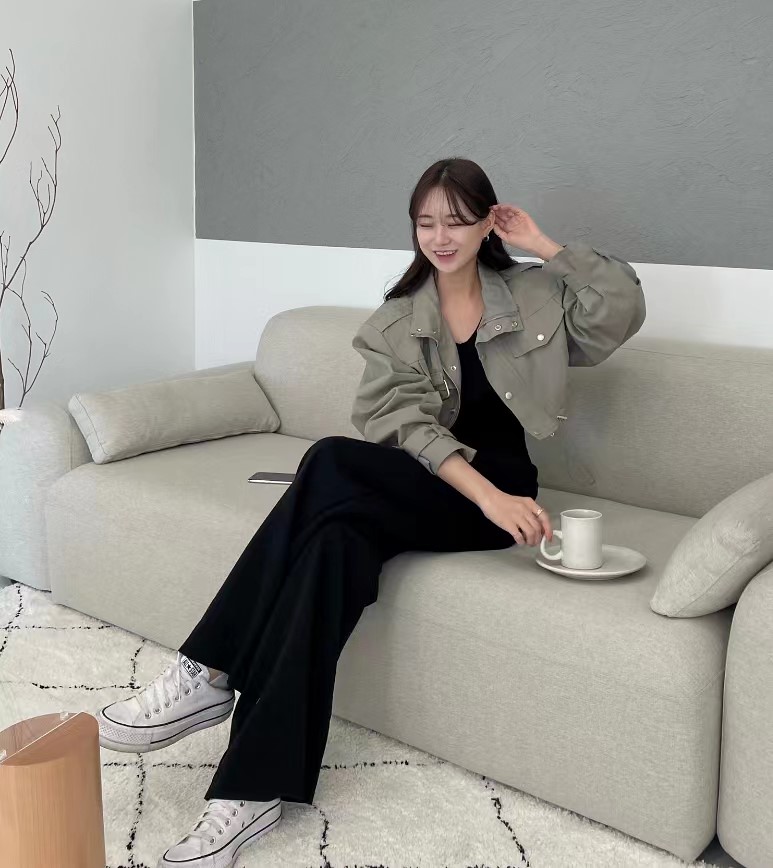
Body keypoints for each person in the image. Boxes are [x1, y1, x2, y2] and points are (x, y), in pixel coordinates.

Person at [95, 156, 645, 868]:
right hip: (449, 486)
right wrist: (481, 492)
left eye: (457, 221)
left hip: (504, 495)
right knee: (334, 543)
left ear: (488, 223)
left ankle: (208, 669)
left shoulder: (534, 294)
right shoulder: (398, 319)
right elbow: (402, 425)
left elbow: (620, 311)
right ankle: (250, 791)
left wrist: (543, 245)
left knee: (327, 460)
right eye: (426, 222)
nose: (440, 237)